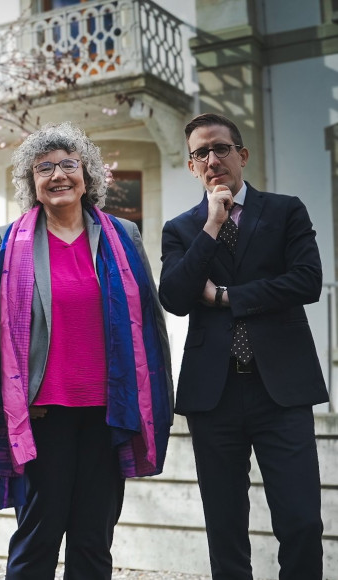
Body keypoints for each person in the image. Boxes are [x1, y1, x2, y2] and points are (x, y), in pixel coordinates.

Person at [0, 122, 173, 579]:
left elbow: (150, 321)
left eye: (69, 165)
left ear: (87, 176)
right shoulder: (8, 243)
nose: (58, 176)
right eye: (44, 168)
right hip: (40, 414)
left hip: (107, 413)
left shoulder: (123, 236)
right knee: (37, 538)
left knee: (94, 540)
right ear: (32, 183)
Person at [160, 113, 326, 580]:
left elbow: (307, 281)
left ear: (242, 156)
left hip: (282, 391)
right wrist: (212, 224)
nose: (212, 160)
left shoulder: (285, 210)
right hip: (214, 397)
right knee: (225, 528)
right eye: (200, 154)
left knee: (301, 521)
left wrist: (226, 297)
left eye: (221, 149)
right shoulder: (182, 229)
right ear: (192, 166)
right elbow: (174, 296)